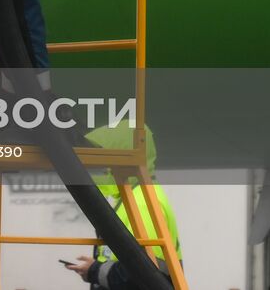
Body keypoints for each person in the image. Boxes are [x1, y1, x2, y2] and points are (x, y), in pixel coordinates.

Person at [64, 124, 182, 290]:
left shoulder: (142, 204)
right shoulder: (133, 199)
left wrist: (94, 271)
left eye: (101, 162)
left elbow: (144, 273)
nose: (96, 170)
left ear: (122, 160)